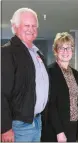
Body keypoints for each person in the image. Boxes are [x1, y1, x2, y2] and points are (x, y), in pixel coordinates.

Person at [1, 8, 49, 142]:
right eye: (26, 25)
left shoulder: (37, 53)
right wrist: (5, 128)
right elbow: (1, 93)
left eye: (34, 26)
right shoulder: (7, 53)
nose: (31, 29)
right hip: (19, 125)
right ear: (15, 27)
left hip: (37, 120)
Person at [41, 32, 78, 142]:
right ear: (56, 51)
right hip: (55, 129)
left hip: (72, 126)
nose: (65, 51)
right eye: (61, 48)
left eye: (68, 48)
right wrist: (59, 131)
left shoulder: (76, 74)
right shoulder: (50, 72)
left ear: (72, 50)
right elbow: (50, 105)